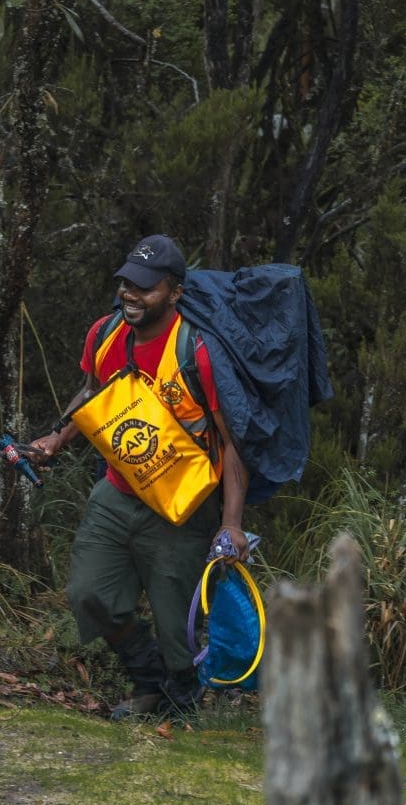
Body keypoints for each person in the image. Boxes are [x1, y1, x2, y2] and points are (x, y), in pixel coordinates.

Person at [30, 234, 250, 721]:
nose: (131, 294)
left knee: (180, 629)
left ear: (173, 293)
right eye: (127, 282)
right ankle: (147, 679)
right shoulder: (105, 333)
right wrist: (53, 440)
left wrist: (230, 524)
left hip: (182, 507)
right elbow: (91, 395)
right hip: (117, 491)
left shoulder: (197, 352)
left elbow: (232, 443)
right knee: (90, 593)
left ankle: (179, 702)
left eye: (146, 287)